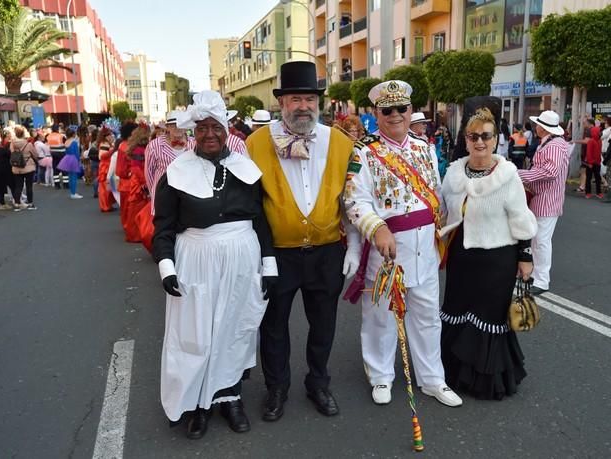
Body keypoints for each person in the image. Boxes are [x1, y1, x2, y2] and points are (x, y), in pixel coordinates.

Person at [152, 90, 277, 439]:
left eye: (216, 127)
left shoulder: (245, 168)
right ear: (193, 131)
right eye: (202, 127)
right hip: (196, 261)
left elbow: (261, 221)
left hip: (242, 257)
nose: (209, 134)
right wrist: (167, 268)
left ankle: (230, 397)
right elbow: (162, 228)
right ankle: (200, 406)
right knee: (198, 335)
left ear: (226, 129)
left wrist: (269, 266)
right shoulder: (176, 173)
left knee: (235, 331)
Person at [246, 61, 355, 421]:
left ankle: (318, 383)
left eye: (308, 98)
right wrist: (259, 255)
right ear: (282, 103)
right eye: (295, 99)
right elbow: (249, 205)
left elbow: (353, 198)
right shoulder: (255, 144)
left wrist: (353, 245)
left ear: (318, 102)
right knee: (273, 325)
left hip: (326, 252)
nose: (303, 106)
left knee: (323, 323)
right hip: (278, 254)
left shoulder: (339, 142)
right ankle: (277, 387)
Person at [343, 80, 462, 407]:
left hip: (425, 243)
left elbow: (436, 193)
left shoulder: (424, 147)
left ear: (411, 111)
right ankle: (381, 376)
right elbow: (354, 202)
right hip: (388, 247)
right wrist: (376, 228)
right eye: (387, 110)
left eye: (402, 109)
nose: (395, 115)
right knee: (381, 314)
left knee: (427, 315)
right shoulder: (364, 152)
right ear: (376, 114)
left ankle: (432, 378)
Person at [439, 107, 537, 400]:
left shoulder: (508, 176)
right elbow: (442, 212)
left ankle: (484, 380)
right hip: (462, 260)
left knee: (489, 318)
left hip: (498, 261)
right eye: (473, 136)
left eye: (485, 136)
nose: (479, 142)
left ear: (495, 140)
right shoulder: (454, 173)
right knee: (457, 313)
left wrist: (525, 256)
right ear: (465, 140)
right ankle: (452, 372)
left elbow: (521, 218)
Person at [518, 110, 571, 295]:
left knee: (541, 241)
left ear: (543, 127)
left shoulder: (555, 146)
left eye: (538, 124)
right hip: (542, 198)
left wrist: (520, 174)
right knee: (537, 239)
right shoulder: (551, 143)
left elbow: (549, 172)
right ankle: (535, 274)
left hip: (547, 200)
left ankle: (541, 281)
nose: (536, 126)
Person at [145, 111, 196, 215]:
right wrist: (155, 192)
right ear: (167, 127)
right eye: (173, 125)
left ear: (186, 127)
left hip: (188, 196)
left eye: (181, 125)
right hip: (163, 196)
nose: (177, 128)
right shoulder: (155, 145)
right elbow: (149, 173)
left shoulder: (194, 144)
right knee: (163, 228)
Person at [121, 124, 151, 242]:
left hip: (138, 180)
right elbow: (136, 168)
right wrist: (144, 182)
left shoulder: (139, 148)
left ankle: (136, 233)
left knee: (137, 208)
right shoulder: (139, 150)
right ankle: (135, 234)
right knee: (137, 208)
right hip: (139, 181)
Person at [10, 127, 38, 211]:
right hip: (28, 166)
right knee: (29, 186)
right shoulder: (28, 144)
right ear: (23, 134)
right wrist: (36, 161)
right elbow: (35, 154)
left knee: (18, 186)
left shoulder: (13, 144)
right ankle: (30, 204)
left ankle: (17, 204)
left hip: (16, 167)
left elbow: (11, 153)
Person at [57, 128, 84, 199]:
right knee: (74, 177)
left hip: (67, 158)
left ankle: (72, 192)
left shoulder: (66, 141)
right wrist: (78, 161)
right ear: (73, 134)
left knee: (70, 176)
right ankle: (73, 193)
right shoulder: (74, 142)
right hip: (74, 159)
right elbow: (77, 153)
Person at [96, 127, 117, 212]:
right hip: (105, 166)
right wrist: (112, 151)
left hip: (107, 166)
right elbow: (101, 156)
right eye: (109, 134)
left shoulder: (106, 143)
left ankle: (107, 204)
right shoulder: (104, 144)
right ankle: (105, 205)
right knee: (105, 186)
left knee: (108, 186)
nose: (110, 136)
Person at [0, 133, 16, 210]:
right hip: (6, 171)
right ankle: (16, 201)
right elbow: (10, 155)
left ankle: (2, 204)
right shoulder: (2, 150)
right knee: (12, 185)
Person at [584, 126, 603, 199]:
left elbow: (599, 152)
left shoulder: (599, 140)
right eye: (599, 131)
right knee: (588, 178)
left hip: (597, 162)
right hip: (591, 163)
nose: (600, 133)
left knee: (598, 178)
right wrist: (590, 162)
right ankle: (588, 192)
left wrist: (599, 161)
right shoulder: (591, 141)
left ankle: (599, 192)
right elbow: (589, 153)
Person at [46, 125, 66, 189]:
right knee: (64, 169)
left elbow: (48, 145)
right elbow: (65, 143)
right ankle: (66, 184)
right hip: (62, 153)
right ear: (57, 129)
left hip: (54, 154)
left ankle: (57, 185)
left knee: (55, 170)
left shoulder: (49, 136)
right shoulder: (61, 136)